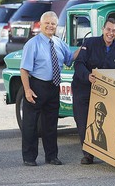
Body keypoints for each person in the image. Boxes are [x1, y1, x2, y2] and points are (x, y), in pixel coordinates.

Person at [20, 11, 79, 166]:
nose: (50, 26)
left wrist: (84, 48)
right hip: (36, 86)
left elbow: (69, 59)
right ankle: (29, 157)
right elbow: (24, 70)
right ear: (41, 24)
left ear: (56, 26)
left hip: (53, 87)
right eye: (47, 23)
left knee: (51, 124)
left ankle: (51, 156)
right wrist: (27, 90)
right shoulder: (32, 44)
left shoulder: (59, 43)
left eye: (53, 23)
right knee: (31, 125)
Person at [72, 18, 115, 165]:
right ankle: (88, 155)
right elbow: (78, 64)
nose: (110, 33)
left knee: (104, 122)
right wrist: (87, 76)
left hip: (106, 93)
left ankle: (106, 153)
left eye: (114, 31)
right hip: (84, 88)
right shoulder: (90, 43)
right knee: (83, 121)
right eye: (108, 29)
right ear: (103, 29)